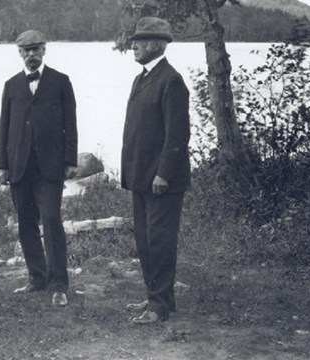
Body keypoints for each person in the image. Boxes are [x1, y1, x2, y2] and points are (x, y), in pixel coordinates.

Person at [0, 30, 78, 307]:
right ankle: (37, 278)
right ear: (19, 52)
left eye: (36, 49)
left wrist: (69, 161)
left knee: (52, 222)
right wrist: (1, 165)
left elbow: (71, 126)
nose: (31, 54)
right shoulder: (11, 85)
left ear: (44, 50)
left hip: (50, 168)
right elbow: (4, 127)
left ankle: (58, 285)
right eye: (25, 50)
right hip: (19, 167)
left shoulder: (61, 81)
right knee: (26, 224)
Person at [120, 17, 191, 324]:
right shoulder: (143, 78)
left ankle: (159, 306)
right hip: (141, 176)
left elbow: (177, 135)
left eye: (139, 40)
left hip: (161, 180)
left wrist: (164, 172)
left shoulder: (171, 80)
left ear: (156, 44)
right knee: (145, 241)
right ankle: (156, 297)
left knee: (160, 242)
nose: (132, 45)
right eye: (134, 40)